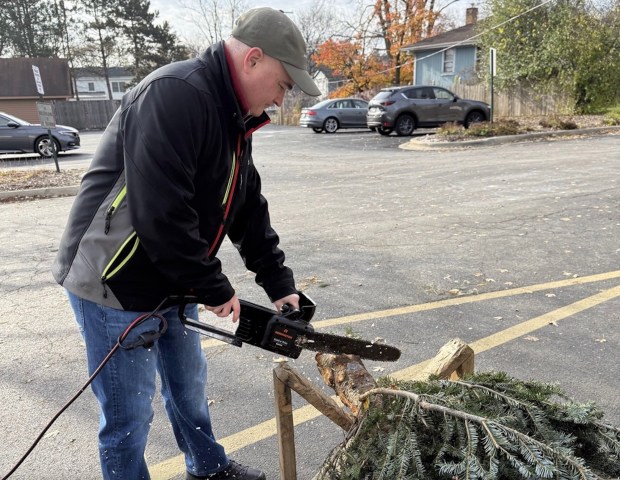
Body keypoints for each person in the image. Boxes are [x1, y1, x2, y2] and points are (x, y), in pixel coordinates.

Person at [52, 7, 320, 480]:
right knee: (129, 418)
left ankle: (208, 467)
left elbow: (246, 205)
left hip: (172, 276)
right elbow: (161, 214)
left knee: (187, 387)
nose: (282, 99)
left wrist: (279, 283)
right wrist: (213, 287)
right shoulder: (175, 95)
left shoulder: (235, 118)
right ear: (253, 59)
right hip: (115, 279)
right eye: (283, 84)